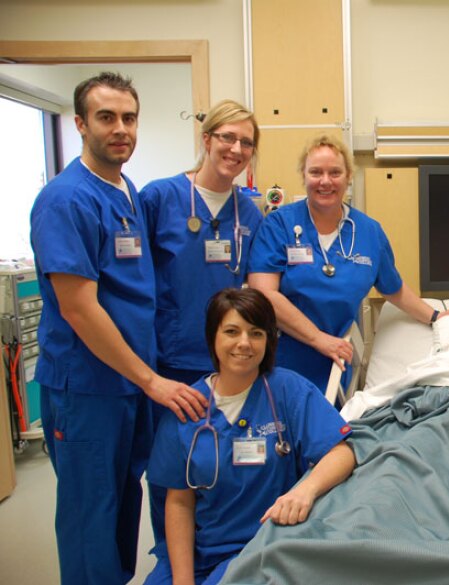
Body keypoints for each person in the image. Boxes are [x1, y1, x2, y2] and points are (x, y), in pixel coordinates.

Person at [29, 71, 207, 585]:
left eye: (129, 118)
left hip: (128, 383)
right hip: (87, 388)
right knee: (92, 516)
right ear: (81, 123)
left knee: (125, 504)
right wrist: (152, 380)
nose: (120, 128)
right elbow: (80, 309)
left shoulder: (126, 190)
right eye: (106, 117)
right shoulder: (67, 200)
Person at [145, 288, 355, 585]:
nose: (244, 343)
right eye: (232, 331)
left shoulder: (287, 390)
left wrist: (304, 491)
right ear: (213, 337)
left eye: (256, 333)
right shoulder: (188, 407)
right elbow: (179, 501)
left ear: (269, 340)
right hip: (200, 552)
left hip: (267, 543)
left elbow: (341, 452)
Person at [248, 134, 449, 391]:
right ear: (304, 175)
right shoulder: (279, 225)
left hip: (336, 359)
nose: (325, 181)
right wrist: (318, 339)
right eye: (316, 172)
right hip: (281, 358)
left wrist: (436, 316)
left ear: (349, 177)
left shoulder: (369, 232)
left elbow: (392, 288)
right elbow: (264, 294)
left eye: (335, 172)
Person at [140, 100, 264, 553]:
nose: (235, 148)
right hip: (171, 362)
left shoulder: (249, 214)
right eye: (227, 137)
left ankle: (215, 558)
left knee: (220, 468)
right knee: (171, 472)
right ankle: (172, 564)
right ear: (206, 139)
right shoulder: (157, 198)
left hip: (227, 365)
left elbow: (253, 292)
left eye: (246, 142)